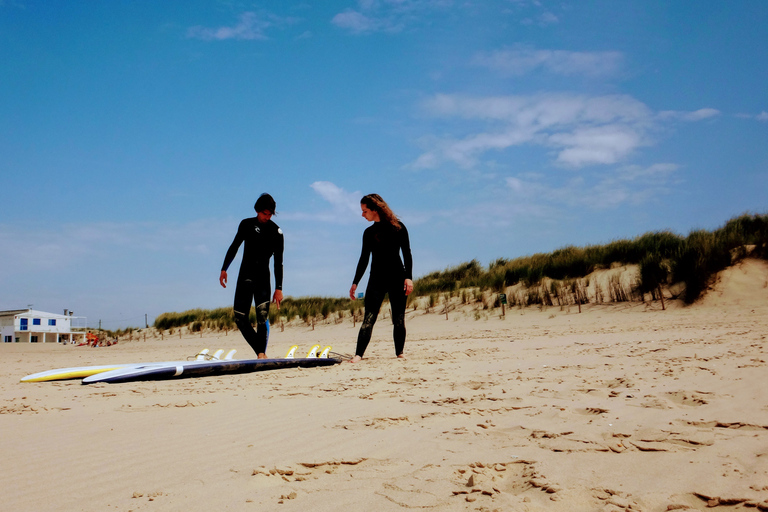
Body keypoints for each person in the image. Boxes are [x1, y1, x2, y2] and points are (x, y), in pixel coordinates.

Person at [349, 194, 413, 362]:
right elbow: (364, 258)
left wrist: (409, 278)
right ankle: (358, 354)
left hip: (397, 278)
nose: (363, 215)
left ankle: (400, 352)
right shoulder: (369, 233)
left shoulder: (398, 228)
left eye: (365, 211)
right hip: (376, 279)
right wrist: (355, 282)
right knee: (369, 318)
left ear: (375, 210)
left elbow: (407, 254)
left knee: (398, 318)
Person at [220, 193, 284, 359]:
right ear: (257, 210)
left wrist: (279, 288)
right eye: (264, 213)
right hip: (245, 276)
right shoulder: (246, 224)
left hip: (263, 278)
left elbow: (278, 262)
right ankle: (260, 351)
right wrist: (224, 268)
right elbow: (234, 246)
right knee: (240, 318)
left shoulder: (276, 232)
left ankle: (261, 354)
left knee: (262, 316)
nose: (267, 217)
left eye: (270, 214)